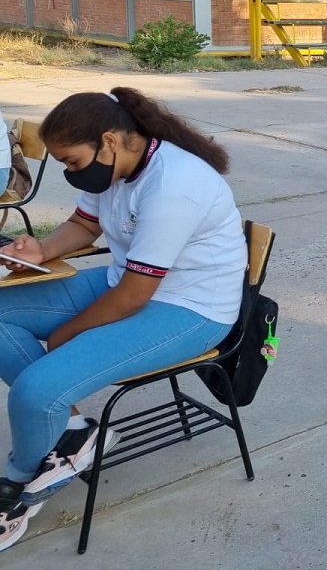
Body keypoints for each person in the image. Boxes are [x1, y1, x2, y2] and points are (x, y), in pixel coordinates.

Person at [0, 88, 246, 552]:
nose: (73, 173)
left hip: (190, 309)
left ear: (109, 141)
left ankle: (18, 480)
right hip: (128, 284)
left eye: (72, 162)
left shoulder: (176, 184)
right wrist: (42, 249)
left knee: (37, 388)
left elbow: (135, 296)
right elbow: (87, 226)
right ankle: (73, 435)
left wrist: (65, 337)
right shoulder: (116, 166)